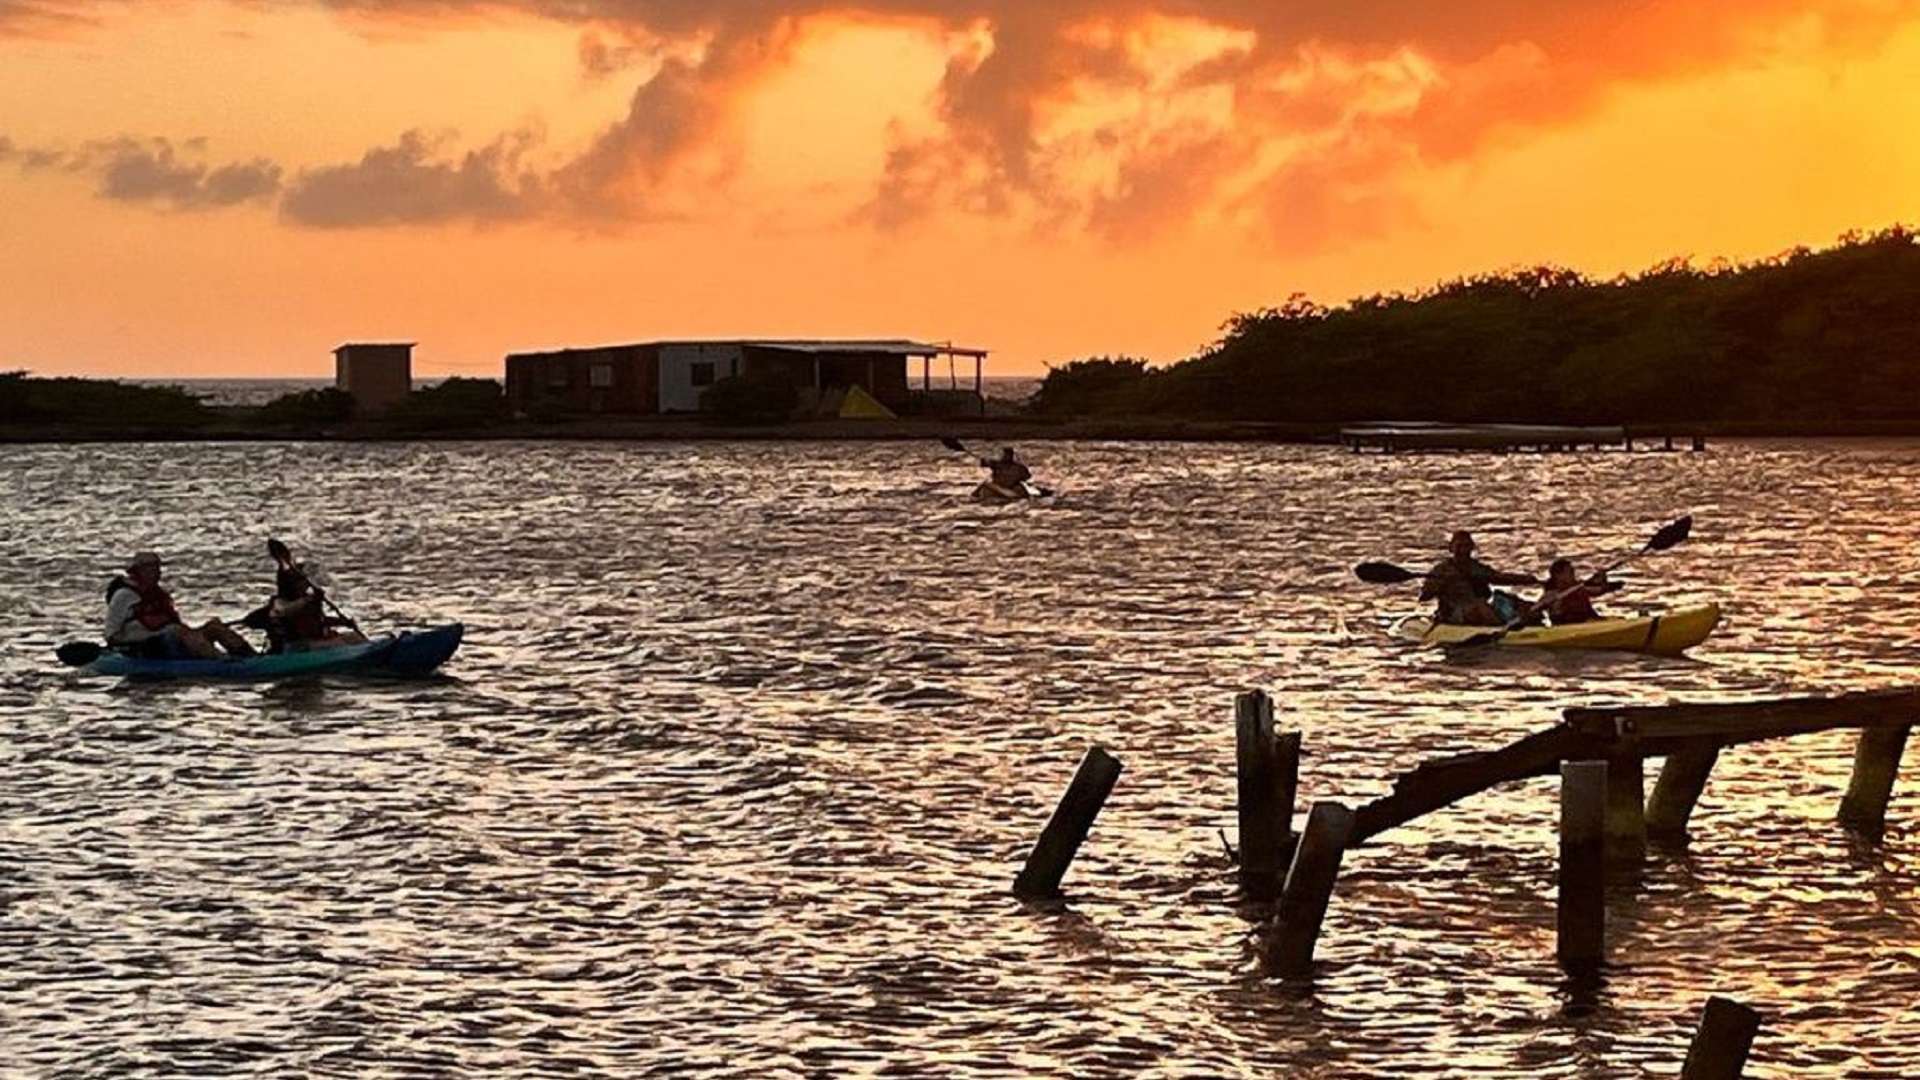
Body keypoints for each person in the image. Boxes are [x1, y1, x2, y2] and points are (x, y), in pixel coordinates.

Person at [104, 551, 256, 659]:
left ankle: (249, 656)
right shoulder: (123, 595)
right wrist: (133, 645)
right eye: (151, 568)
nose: (157, 572)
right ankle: (221, 661)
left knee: (214, 626)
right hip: (147, 647)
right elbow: (111, 635)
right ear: (138, 571)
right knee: (176, 630)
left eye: (157, 568)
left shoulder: (157, 594)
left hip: (172, 640)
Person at [1419, 530, 1541, 626]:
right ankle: (1502, 629)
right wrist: (1439, 584)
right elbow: (1424, 597)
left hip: (1481, 609)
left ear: (1472, 548)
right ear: (1451, 548)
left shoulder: (1477, 568)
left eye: (1467, 546)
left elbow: (1499, 578)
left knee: (1525, 606)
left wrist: (1526, 579)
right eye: (1459, 546)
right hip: (1454, 613)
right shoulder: (1440, 570)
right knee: (1480, 605)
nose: (1463, 550)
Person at [264, 564, 365, 651]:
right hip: (299, 646)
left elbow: (319, 621)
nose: (304, 586)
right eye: (300, 583)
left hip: (314, 642)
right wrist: (313, 600)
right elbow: (297, 617)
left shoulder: (308, 600)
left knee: (354, 637)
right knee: (340, 643)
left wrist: (343, 622)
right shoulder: (282, 603)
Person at [1536, 557, 1621, 625]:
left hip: (1589, 622)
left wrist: (1603, 580)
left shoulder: (1579, 588)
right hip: (1568, 626)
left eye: (1572, 571)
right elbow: (1536, 608)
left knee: (1618, 620)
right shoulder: (1552, 593)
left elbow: (1598, 590)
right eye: (1569, 572)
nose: (1573, 574)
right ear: (1558, 575)